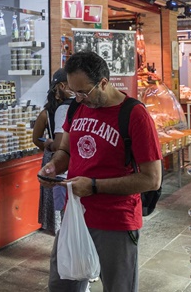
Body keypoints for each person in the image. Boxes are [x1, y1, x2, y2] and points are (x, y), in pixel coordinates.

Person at [40, 51, 162, 292]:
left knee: (118, 286)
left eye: (84, 91)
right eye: (73, 91)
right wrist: (54, 166)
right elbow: (65, 150)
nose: (78, 98)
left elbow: (152, 179)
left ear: (104, 82)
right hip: (75, 214)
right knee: (62, 284)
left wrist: (94, 185)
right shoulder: (77, 108)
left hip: (116, 220)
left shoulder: (135, 115)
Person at [32, 68, 74, 234]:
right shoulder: (74, 107)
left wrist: (48, 146)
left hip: (54, 162)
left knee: (56, 202)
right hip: (69, 163)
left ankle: (58, 233)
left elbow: (37, 139)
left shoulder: (49, 113)